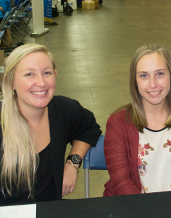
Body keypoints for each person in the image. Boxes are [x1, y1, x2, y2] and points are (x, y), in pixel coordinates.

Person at [0, 44, 101, 204]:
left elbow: (88, 127)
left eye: (46, 73)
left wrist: (72, 163)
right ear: (10, 82)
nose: (41, 83)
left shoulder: (62, 110)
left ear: (55, 75)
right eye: (29, 74)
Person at [103, 43, 171, 196]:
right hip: (129, 211)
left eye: (160, 74)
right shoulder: (118, 123)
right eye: (144, 76)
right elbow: (121, 182)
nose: (153, 84)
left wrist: (169, 211)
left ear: (170, 75)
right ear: (135, 81)